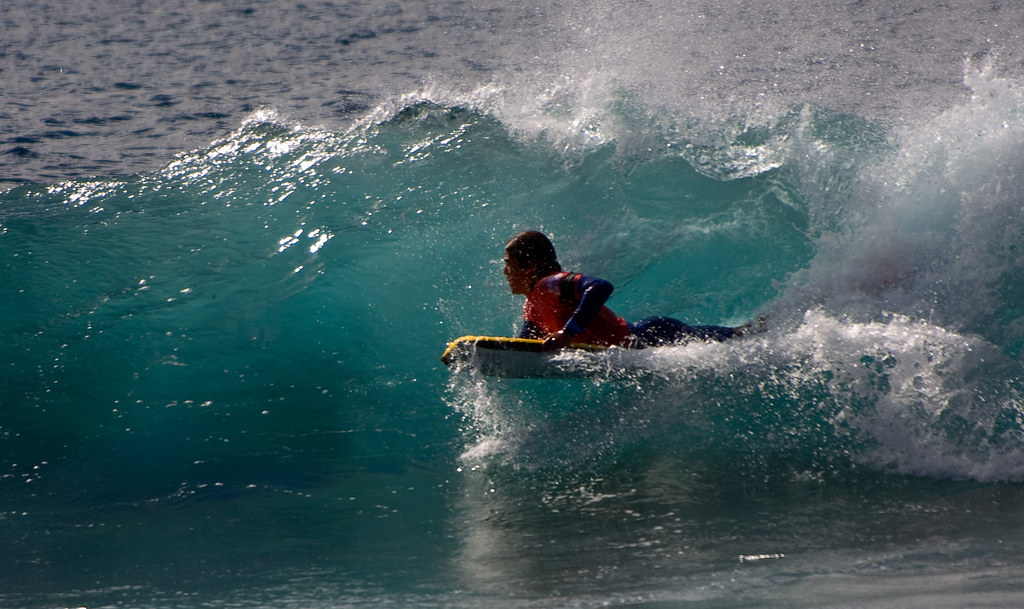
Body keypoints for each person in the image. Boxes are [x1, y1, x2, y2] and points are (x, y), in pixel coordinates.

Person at [503, 230, 748, 351]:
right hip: (639, 338)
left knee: (738, 339)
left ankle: (755, 328)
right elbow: (527, 342)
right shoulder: (532, 304)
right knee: (730, 339)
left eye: (509, 264)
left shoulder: (551, 283)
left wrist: (568, 334)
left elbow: (599, 287)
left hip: (649, 335)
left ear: (529, 266)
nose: (505, 272)